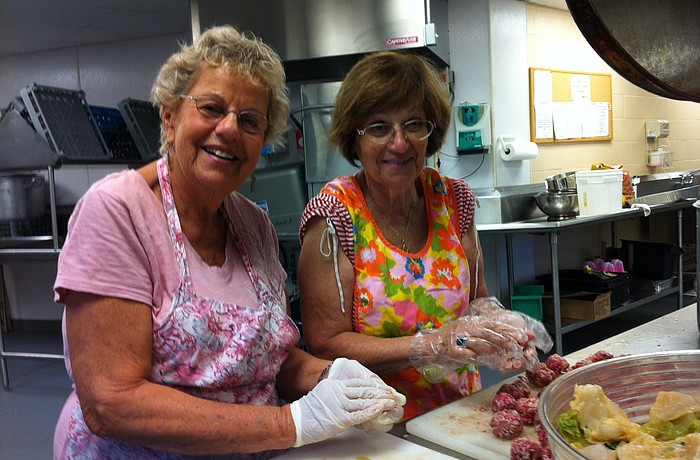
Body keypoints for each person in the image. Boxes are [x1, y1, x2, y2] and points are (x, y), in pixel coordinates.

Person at [52, 26, 405, 459]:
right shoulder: (117, 211)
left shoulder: (253, 224)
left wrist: (333, 377)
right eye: (211, 107)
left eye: (250, 120)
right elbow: (111, 402)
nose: (229, 129)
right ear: (169, 116)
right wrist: (290, 422)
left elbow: (270, 361)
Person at [297, 51, 551, 421]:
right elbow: (325, 343)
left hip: (460, 412)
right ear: (354, 137)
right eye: (379, 127)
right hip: (377, 423)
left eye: (413, 124)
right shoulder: (335, 216)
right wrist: (427, 346)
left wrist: (500, 327)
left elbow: (477, 300)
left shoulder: (453, 199)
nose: (399, 144)